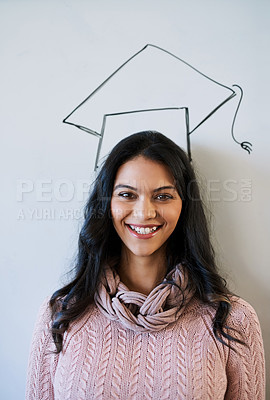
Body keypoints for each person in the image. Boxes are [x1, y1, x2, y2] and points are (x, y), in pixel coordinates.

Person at [26, 131, 265, 399]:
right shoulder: (59, 315)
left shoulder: (232, 320)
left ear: (184, 207)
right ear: (107, 205)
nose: (144, 212)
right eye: (127, 194)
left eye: (163, 196)